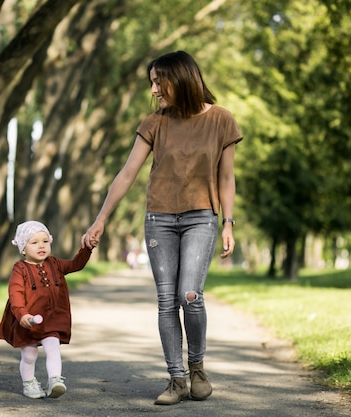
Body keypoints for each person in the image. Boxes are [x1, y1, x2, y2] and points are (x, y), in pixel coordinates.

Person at [82, 50, 242, 405]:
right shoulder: (154, 123)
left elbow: (226, 176)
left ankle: (197, 367)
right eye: (151, 82)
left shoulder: (221, 120)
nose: (154, 89)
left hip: (202, 216)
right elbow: (127, 174)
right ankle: (176, 378)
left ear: (181, 78)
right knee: (166, 301)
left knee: (190, 294)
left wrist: (228, 222)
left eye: (159, 81)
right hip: (160, 219)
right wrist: (101, 219)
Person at [0, 220, 94, 399]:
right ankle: (29, 384)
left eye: (44, 241)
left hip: (51, 319)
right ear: (23, 249)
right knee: (29, 355)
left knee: (53, 347)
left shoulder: (55, 264)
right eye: (34, 242)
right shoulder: (21, 269)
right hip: (27, 320)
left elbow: (76, 265)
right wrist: (22, 314)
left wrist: (86, 249)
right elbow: (15, 293)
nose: (41, 245)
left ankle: (55, 380)